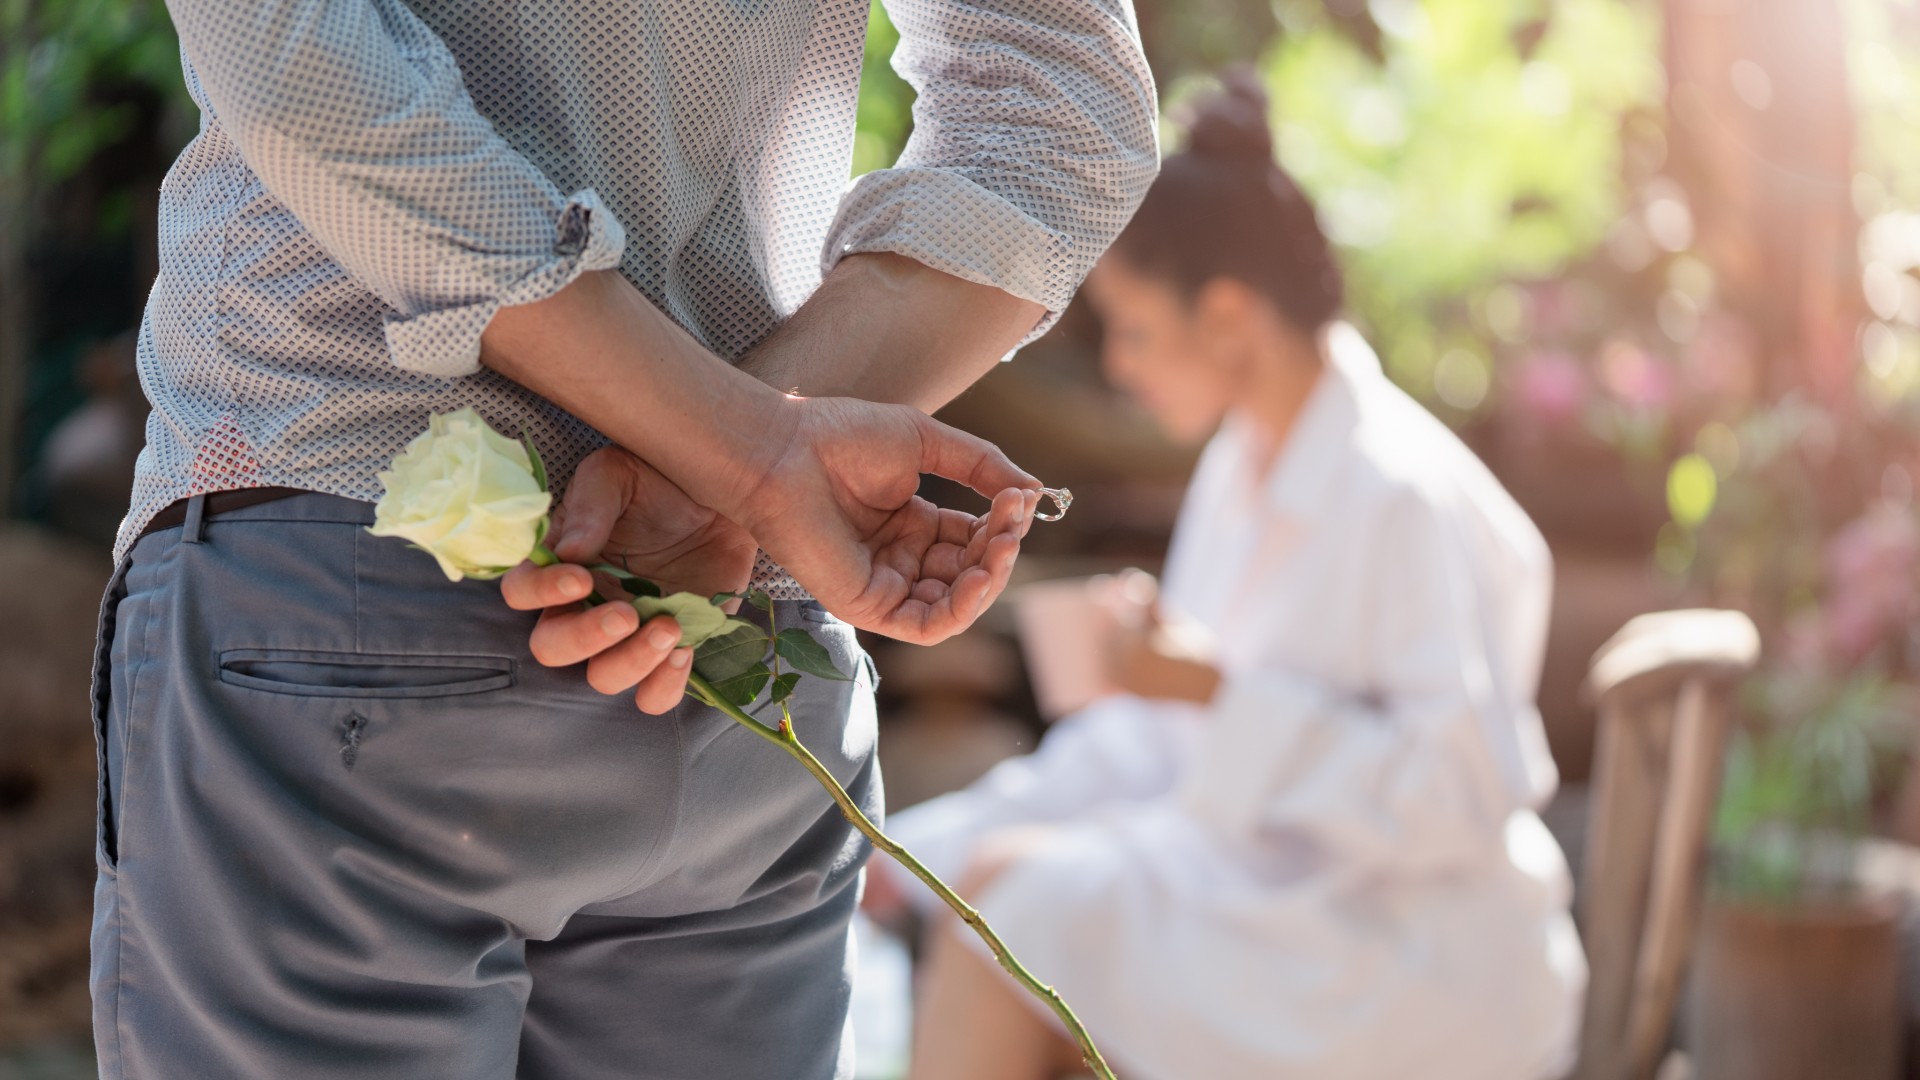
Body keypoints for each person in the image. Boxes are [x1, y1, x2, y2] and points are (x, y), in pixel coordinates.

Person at [89, 1, 1156, 1076]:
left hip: (358, 565)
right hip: (741, 665)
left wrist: (745, 460)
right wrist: (734, 468)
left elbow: (292, 54)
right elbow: (1066, 113)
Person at [885, 79, 1586, 1080]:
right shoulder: (1242, 464)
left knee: (1018, 910)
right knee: (1001, 892)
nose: (1121, 370)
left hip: (1415, 954)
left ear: (1226, 316)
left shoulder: (1398, 491)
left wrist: (1216, 692)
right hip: (1278, 905)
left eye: (1133, 330)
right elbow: (1150, 741)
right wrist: (911, 856)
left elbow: (1460, 795)